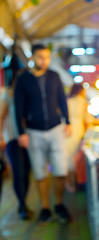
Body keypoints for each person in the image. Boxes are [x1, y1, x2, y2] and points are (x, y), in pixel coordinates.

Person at [14, 44, 72, 223]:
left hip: (55, 128)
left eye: (47, 57)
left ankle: (59, 204)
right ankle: (45, 207)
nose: (44, 61)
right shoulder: (23, 79)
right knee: (40, 173)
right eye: (40, 57)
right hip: (33, 131)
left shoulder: (54, 76)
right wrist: (21, 132)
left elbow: (62, 100)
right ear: (33, 58)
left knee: (61, 170)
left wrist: (67, 121)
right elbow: (19, 107)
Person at [0, 51, 32, 219]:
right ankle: (21, 205)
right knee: (19, 173)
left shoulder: (26, 93)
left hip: (29, 138)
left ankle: (23, 203)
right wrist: (1, 137)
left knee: (26, 172)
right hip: (13, 138)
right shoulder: (9, 94)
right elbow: (1, 116)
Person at [65, 84, 91, 192]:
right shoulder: (83, 102)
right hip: (79, 130)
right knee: (77, 158)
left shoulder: (67, 101)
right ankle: (78, 182)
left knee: (68, 158)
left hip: (68, 131)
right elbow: (88, 120)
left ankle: (70, 184)